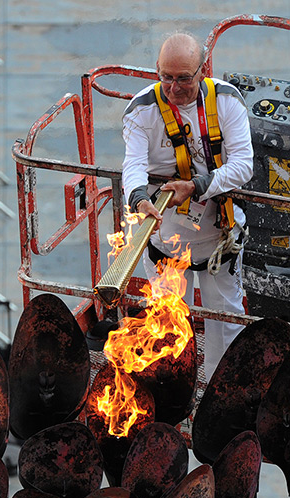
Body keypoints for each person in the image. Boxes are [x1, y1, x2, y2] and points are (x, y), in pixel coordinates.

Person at [122, 31, 254, 382]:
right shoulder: (142, 110)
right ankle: (172, 396)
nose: (174, 88)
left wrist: (195, 186)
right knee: (167, 325)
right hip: (165, 237)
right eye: (166, 77)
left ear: (202, 70)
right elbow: (132, 164)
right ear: (157, 71)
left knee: (225, 323)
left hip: (219, 237)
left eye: (184, 78)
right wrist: (138, 198)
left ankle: (220, 394)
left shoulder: (227, 102)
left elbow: (243, 164)